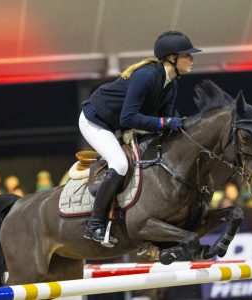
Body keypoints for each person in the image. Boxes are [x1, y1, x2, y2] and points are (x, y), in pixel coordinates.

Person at [79, 31, 201, 245]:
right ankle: (94, 224)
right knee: (119, 164)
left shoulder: (171, 84)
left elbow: (164, 119)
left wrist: (180, 126)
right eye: (187, 55)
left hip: (115, 126)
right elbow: (129, 118)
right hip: (95, 121)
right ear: (172, 58)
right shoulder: (146, 76)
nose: (192, 59)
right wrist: (165, 123)